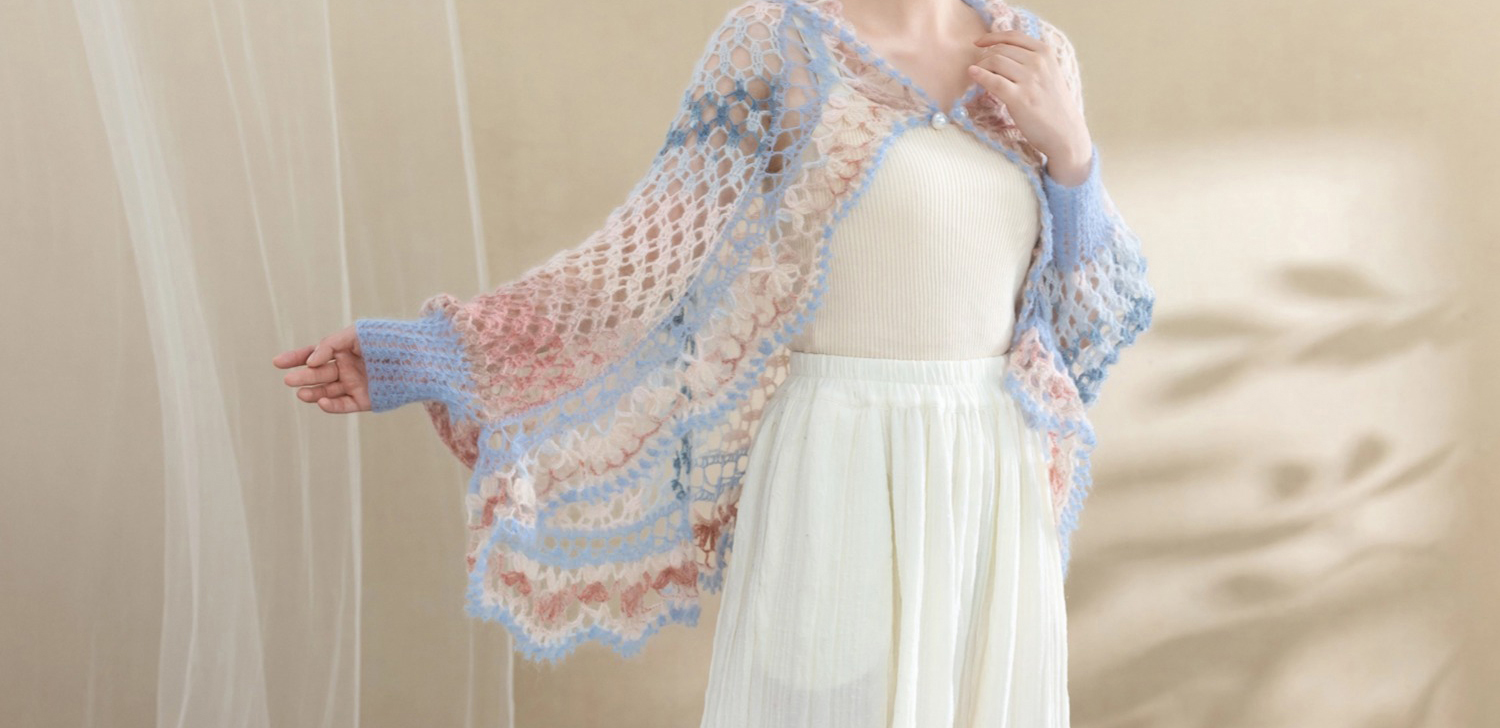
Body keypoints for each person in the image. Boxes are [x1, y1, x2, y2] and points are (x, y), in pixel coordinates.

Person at [272, 1, 1152, 725]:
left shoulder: (1035, 53)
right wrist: (426, 352)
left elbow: (1088, 317)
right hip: (838, 464)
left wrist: (1072, 153)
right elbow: (641, 266)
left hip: (991, 472)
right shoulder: (777, 43)